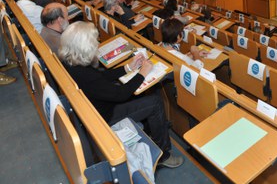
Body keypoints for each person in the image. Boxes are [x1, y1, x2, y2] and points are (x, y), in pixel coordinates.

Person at [58, 21, 184, 168]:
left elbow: (101, 76)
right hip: (105, 116)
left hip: (97, 107)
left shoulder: (71, 62)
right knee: (155, 102)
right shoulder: (86, 75)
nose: (97, 43)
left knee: (143, 96)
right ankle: (163, 155)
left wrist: (128, 67)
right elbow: (121, 94)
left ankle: (152, 134)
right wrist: (142, 73)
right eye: (94, 42)